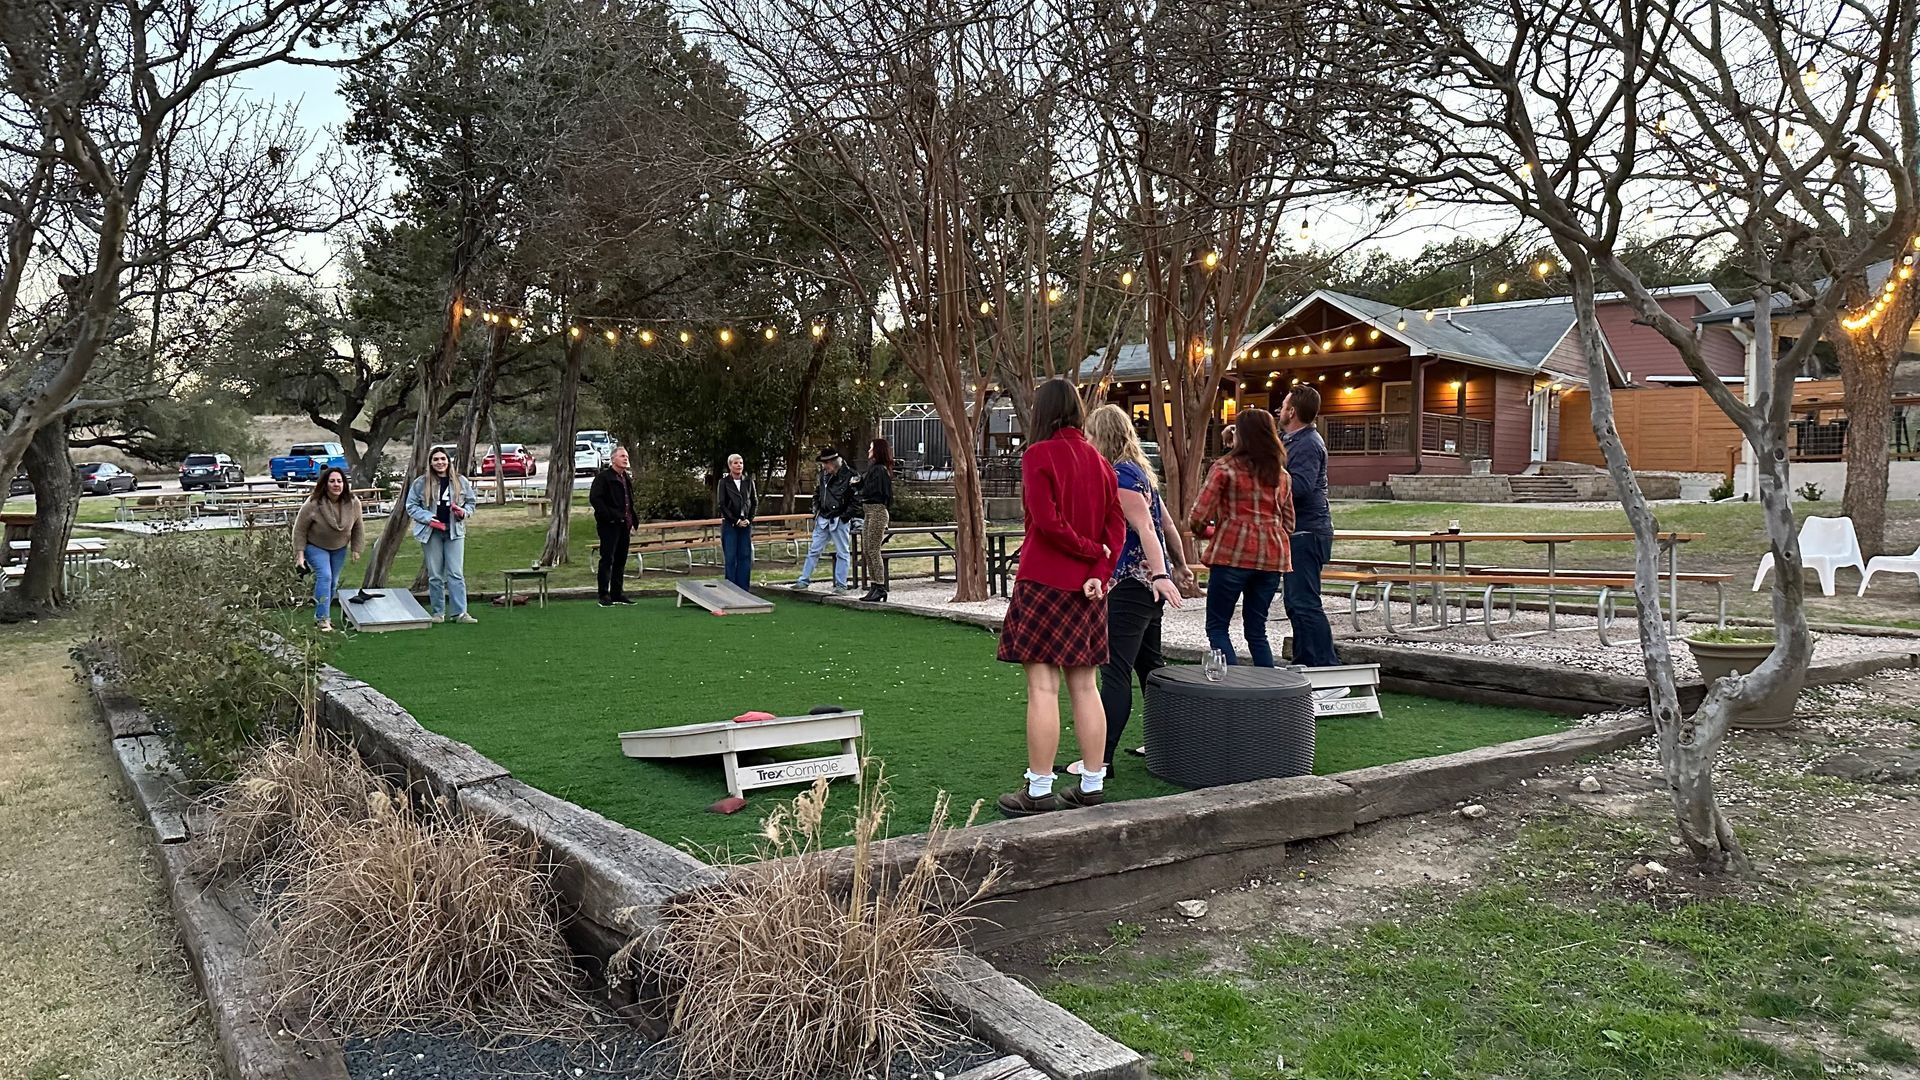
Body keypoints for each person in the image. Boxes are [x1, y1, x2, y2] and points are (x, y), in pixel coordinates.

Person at [995, 378, 1124, 817]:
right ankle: (1091, 782)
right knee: (1086, 687)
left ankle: (1038, 789)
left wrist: (1090, 554)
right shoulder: (1102, 463)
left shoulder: (1037, 456)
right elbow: (1116, 529)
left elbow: (1046, 523)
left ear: (1042, 412)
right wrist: (1099, 570)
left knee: (1043, 687)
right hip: (1089, 590)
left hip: (1043, 581)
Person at [1071, 404, 1190, 777]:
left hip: (1131, 587)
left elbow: (1147, 529)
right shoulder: (1142, 474)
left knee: (1115, 670)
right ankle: (1166, 743)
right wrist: (1179, 565)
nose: (1086, 441)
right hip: (1147, 588)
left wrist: (1160, 574)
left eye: (1090, 434)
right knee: (1149, 667)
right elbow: (1167, 524)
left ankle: (1100, 759)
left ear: (1102, 436)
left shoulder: (1121, 476)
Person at [1189, 408, 1294, 665]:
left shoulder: (1225, 468)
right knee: (1257, 630)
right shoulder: (1282, 475)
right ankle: (1266, 692)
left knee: (1217, 626)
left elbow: (1199, 516)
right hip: (1271, 557)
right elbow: (1289, 523)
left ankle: (1235, 688)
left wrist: (1210, 532)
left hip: (1231, 555)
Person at [1278, 385, 1341, 669]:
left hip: (1307, 531)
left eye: (1283, 405)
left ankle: (1327, 668)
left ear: (1292, 411)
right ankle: (1305, 663)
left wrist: (1271, 478)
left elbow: (1300, 487)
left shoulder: (1308, 444)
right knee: (1295, 602)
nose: (1279, 410)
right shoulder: (1289, 440)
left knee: (1305, 602)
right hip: (1297, 532)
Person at [404, 447, 478, 624]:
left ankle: (460, 613)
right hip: (432, 533)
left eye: (443, 459)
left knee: (455, 573)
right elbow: (411, 506)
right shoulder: (421, 483)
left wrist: (463, 512)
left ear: (448, 461)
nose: (440, 462)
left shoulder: (460, 481)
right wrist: (429, 518)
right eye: (436, 459)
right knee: (435, 574)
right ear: (430, 462)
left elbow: (471, 503)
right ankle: (438, 613)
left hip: (454, 532)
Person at [292, 466, 363, 632]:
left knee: (333, 583)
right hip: (315, 545)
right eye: (332, 481)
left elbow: (358, 526)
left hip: (339, 547)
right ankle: (323, 619)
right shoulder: (313, 504)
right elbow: (299, 529)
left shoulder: (353, 503)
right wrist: (299, 554)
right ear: (325, 484)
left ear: (344, 484)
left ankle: (322, 615)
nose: (336, 484)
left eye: (339, 481)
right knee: (325, 576)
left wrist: (356, 548)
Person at [789, 448, 859, 594]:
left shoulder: (851, 476)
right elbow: (817, 493)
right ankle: (804, 580)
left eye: (825, 464)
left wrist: (845, 517)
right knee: (814, 550)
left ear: (832, 463)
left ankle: (841, 585)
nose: (824, 467)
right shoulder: (824, 476)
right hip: (824, 518)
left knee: (842, 552)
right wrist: (817, 510)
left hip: (839, 518)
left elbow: (857, 500)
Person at [589, 446, 639, 606]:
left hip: (625, 524)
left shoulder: (626, 478)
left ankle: (617, 593)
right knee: (607, 558)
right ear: (613, 459)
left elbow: (628, 500)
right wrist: (609, 516)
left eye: (627, 456)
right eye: (622, 456)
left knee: (620, 559)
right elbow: (595, 499)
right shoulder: (604, 478)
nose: (626, 459)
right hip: (609, 525)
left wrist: (633, 518)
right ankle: (604, 594)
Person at [854, 438, 894, 603]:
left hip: (877, 511)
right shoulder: (875, 469)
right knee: (867, 549)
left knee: (873, 550)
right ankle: (875, 585)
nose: (868, 450)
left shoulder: (879, 470)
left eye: (871, 448)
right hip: (869, 512)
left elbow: (874, 491)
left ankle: (880, 586)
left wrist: (859, 489)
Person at [714, 453, 757, 591]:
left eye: (741, 463)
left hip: (745, 525)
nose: (739, 465)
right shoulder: (724, 482)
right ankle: (730, 588)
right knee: (731, 557)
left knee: (745, 556)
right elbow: (722, 504)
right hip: (730, 525)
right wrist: (735, 520)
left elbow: (754, 502)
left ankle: (744, 589)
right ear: (730, 466)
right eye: (736, 463)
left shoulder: (748, 482)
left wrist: (749, 520)